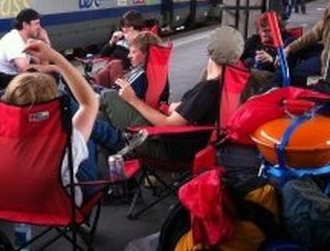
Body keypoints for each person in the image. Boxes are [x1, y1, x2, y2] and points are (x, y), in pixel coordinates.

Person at [99, 26, 245, 161]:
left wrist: (132, 99)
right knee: (99, 117)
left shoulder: (208, 88)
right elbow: (193, 112)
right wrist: (179, 107)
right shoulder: (226, 85)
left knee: (108, 97)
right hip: (190, 146)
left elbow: (167, 124)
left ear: (209, 51)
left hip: (167, 148)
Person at [0, 40, 98, 204]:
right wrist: (55, 58)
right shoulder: (67, 142)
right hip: (58, 205)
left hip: (8, 203)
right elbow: (89, 103)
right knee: (88, 143)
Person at [0, 8, 51, 75]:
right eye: (37, 24)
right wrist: (48, 68)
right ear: (25, 25)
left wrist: (46, 40)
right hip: (0, 82)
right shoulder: (14, 40)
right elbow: (25, 68)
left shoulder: (26, 40)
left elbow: (40, 61)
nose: (39, 27)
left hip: (10, 79)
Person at [94, 10, 144, 88]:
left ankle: (115, 91)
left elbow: (136, 61)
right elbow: (103, 54)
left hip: (125, 71)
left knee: (115, 65)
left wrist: (130, 41)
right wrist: (112, 41)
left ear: (134, 27)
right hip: (110, 67)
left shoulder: (141, 40)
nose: (124, 30)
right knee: (102, 74)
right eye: (124, 28)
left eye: (127, 28)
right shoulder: (120, 39)